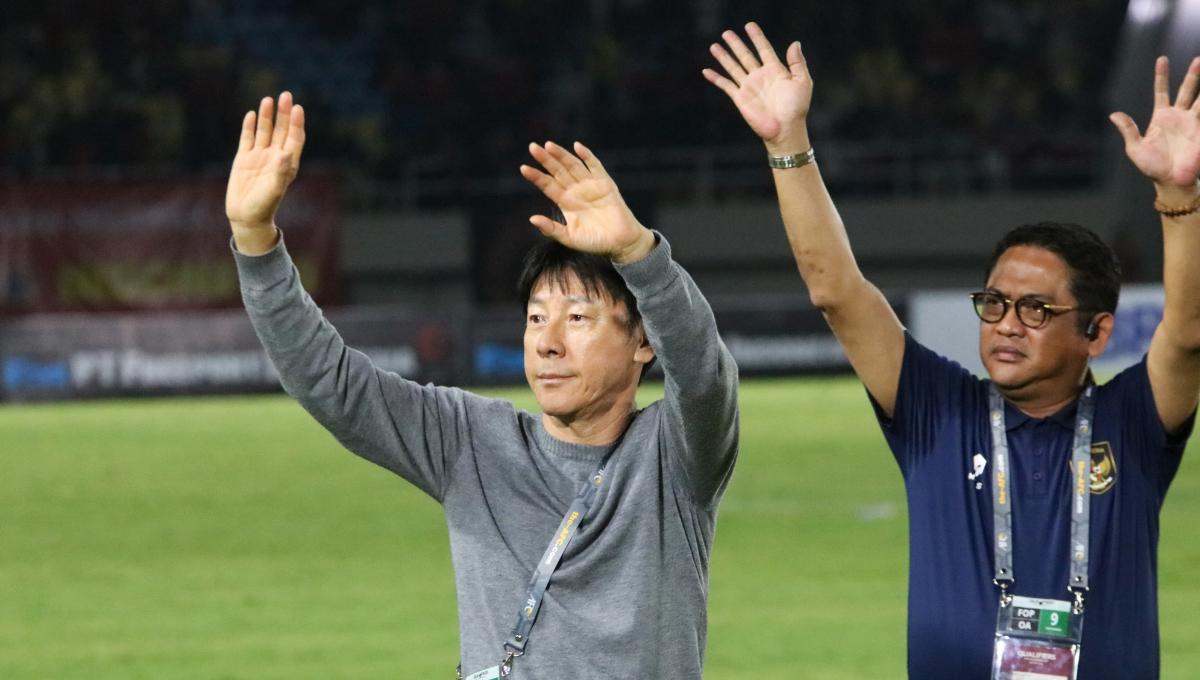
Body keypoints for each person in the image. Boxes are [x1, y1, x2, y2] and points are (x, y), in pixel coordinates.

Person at [705, 22, 1199, 679]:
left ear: (1097, 333)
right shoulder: (937, 408)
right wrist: (787, 143)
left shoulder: (1133, 421)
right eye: (994, 303)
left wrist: (1179, 196)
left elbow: (1187, 332)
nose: (1007, 325)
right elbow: (837, 293)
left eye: (1036, 309)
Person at [224, 92, 738, 679]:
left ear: (643, 341)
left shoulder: (675, 458)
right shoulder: (471, 441)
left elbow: (703, 376)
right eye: (536, 318)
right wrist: (255, 237)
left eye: (577, 318)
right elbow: (331, 382)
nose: (548, 343)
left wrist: (639, 255)